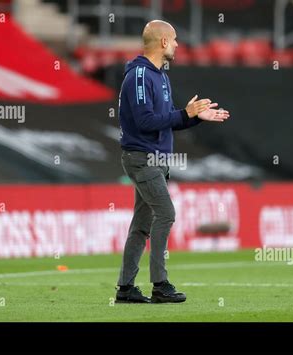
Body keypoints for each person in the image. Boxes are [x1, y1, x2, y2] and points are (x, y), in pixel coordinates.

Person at [115, 20, 230, 303]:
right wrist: (184, 113)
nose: (178, 44)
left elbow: (164, 123)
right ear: (164, 42)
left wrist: (193, 117)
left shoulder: (160, 76)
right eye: (175, 39)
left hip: (155, 158)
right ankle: (160, 284)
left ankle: (126, 288)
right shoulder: (140, 75)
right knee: (166, 214)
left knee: (141, 224)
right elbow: (145, 122)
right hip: (142, 158)